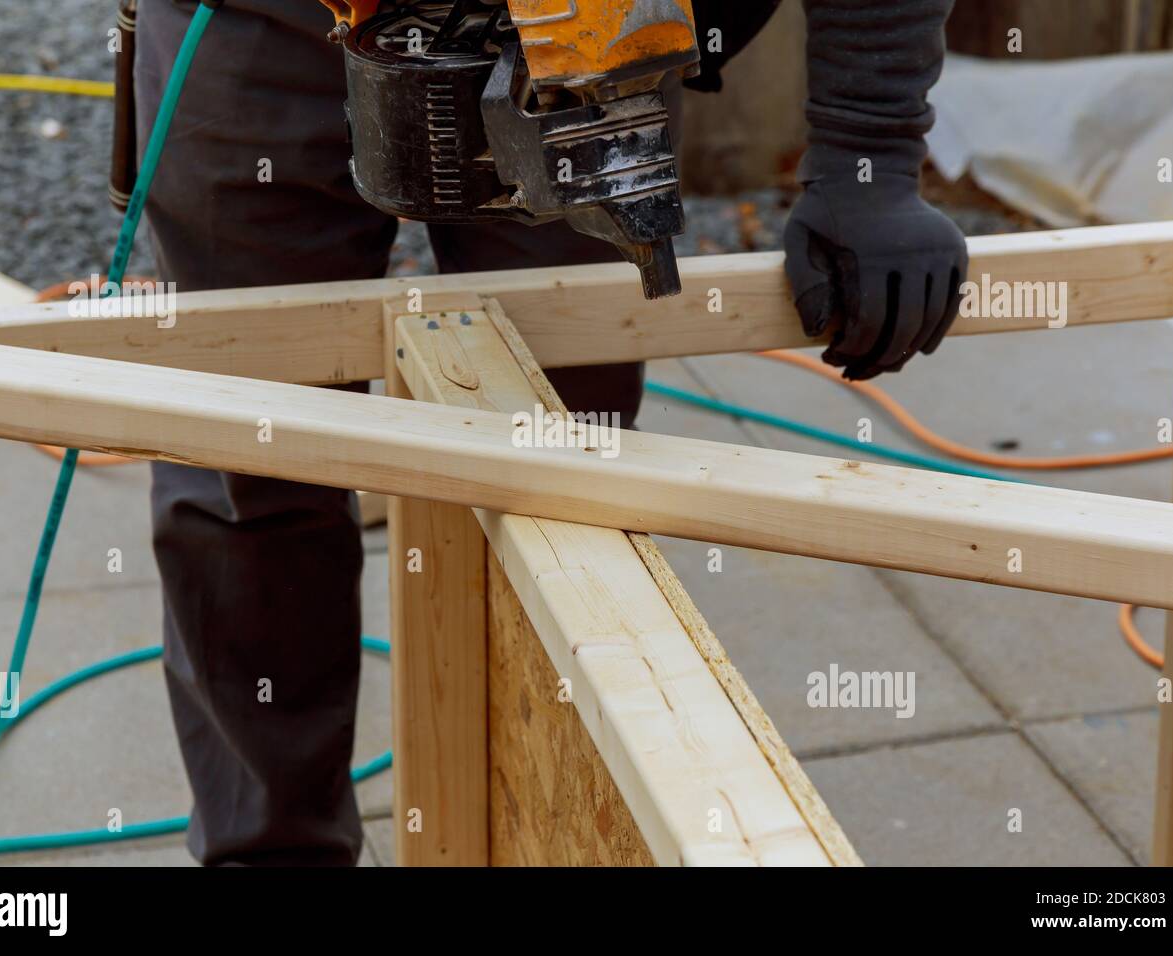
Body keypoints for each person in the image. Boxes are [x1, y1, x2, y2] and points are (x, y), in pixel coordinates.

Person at [134, 0, 961, 865]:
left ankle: (545, 836)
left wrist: (869, 155)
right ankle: (271, 852)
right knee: (246, 457)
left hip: (575, 30)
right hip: (258, 22)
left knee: (565, 476)